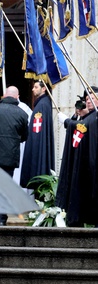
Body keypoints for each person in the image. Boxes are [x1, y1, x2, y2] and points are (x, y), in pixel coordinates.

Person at [0, 86, 28, 226]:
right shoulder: (22, 114)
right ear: (17, 97)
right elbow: (24, 136)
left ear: (4, 96)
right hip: (10, 154)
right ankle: (1, 217)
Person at [56, 88, 98, 226]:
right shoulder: (91, 115)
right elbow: (82, 125)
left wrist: (67, 121)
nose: (88, 101)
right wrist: (75, 117)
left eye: (92, 98)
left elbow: (83, 126)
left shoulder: (96, 115)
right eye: (86, 99)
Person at [19, 79, 55, 189]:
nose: (32, 89)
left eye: (36, 87)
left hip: (38, 144)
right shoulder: (41, 103)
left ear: (43, 89)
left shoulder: (42, 105)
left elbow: (38, 130)